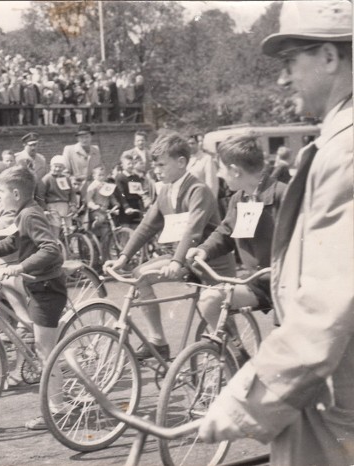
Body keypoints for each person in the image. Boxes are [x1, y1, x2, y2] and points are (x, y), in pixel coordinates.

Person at [199, 3, 354, 464]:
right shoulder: (332, 145)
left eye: (290, 62)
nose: (283, 79)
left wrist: (247, 400)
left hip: (336, 403)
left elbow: (331, 297)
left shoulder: (342, 153)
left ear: (329, 56)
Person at [106, 132, 235, 360]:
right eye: (154, 164)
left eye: (161, 164)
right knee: (140, 276)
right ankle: (158, 342)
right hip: (184, 259)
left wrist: (176, 261)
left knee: (224, 328)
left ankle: (240, 363)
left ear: (181, 162)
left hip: (210, 262)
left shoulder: (198, 190)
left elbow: (192, 231)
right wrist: (123, 257)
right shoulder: (165, 190)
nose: (156, 170)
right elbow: (147, 226)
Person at [0, 165, 67, 430]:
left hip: (46, 288)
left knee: (47, 352)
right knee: (39, 340)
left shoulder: (31, 214)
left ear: (15, 193)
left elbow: (51, 250)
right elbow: (13, 243)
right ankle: (30, 330)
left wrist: (21, 267)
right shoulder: (24, 213)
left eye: (1, 193)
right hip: (36, 285)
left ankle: (56, 411)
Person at [186, 135, 286, 335]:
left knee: (287, 345)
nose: (220, 175)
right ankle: (236, 357)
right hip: (257, 282)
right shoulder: (238, 199)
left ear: (235, 171)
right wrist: (203, 250)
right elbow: (226, 232)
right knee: (209, 300)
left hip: (287, 284)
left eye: (221, 169)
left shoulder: (283, 194)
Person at [39, 155, 75, 236]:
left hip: (65, 206)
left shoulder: (66, 178)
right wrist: (44, 208)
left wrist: (73, 204)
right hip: (52, 207)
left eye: (60, 167)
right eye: (55, 166)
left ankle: (74, 248)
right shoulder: (46, 179)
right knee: (55, 229)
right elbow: (40, 195)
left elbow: (72, 192)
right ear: (51, 166)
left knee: (69, 229)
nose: (58, 169)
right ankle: (56, 245)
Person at [187, 134, 219, 199]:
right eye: (187, 144)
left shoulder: (206, 158)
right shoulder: (183, 160)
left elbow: (211, 184)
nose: (190, 146)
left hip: (202, 198)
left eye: (192, 143)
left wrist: (210, 201)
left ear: (197, 144)